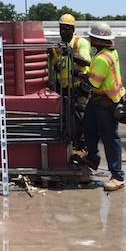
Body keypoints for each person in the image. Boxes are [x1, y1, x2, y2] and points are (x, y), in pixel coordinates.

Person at [81, 20, 126, 193]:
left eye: (92, 38)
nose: (90, 41)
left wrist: (80, 75)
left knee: (110, 138)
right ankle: (93, 158)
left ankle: (117, 176)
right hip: (99, 101)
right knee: (89, 127)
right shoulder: (109, 52)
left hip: (106, 102)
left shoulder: (101, 58)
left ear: (98, 40)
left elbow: (94, 83)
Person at [49, 12, 91, 149]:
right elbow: (52, 66)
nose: (64, 31)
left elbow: (86, 62)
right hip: (63, 88)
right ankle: (69, 142)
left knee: (81, 115)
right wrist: (56, 67)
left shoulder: (81, 43)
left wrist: (72, 54)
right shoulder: (58, 47)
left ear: (73, 29)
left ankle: (82, 145)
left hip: (79, 87)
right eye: (62, 28)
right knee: (65, 117)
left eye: (67, 28)